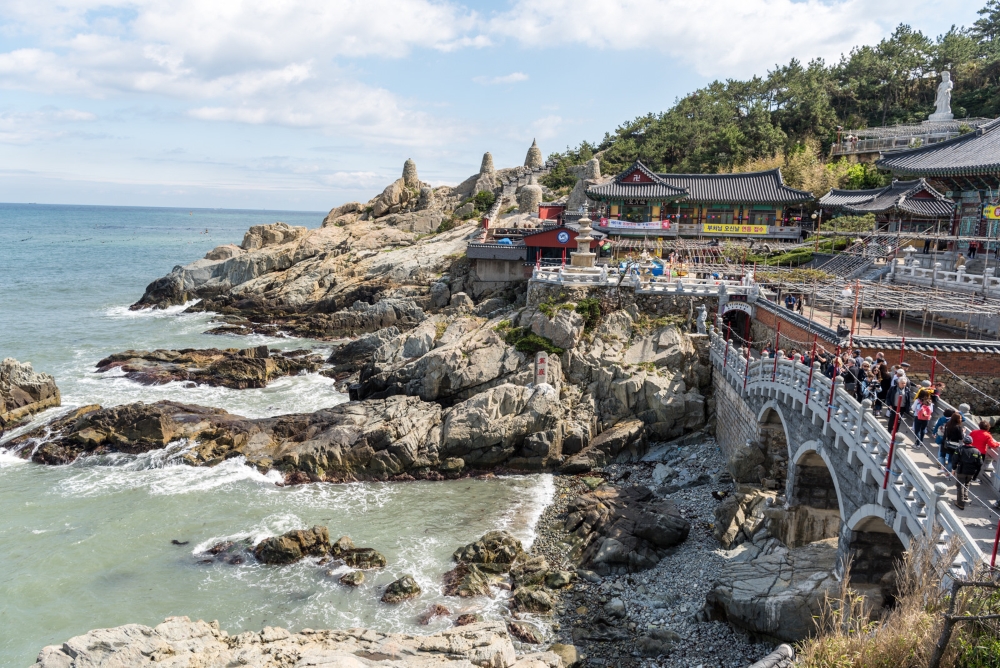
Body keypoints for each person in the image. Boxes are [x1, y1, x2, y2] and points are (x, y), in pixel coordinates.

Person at [952, 435, 984, 510]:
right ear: (972, 442)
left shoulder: (959, 449)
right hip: (971, 471)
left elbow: (954, 460)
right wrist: (975, 474)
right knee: (967, 483)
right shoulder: (977, 451)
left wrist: (953, 469)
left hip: (961, 470)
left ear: (963, 441)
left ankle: (960, 503)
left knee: (960, 485)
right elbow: (980, 463)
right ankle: (965, 496)